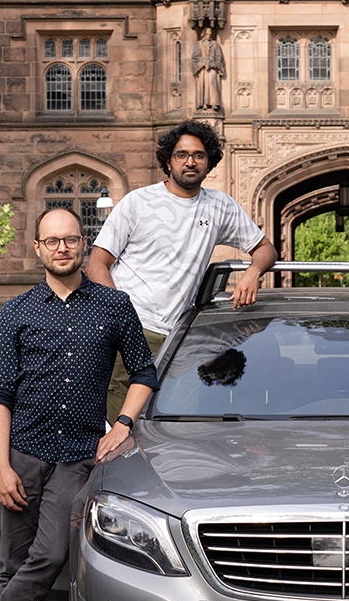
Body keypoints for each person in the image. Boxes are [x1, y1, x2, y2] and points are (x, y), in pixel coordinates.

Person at [0, 208, 159, 601]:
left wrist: (123, 424)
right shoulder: (18, 311)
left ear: (83, 245)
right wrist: (1, 465)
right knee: (13, 561)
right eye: (53, 241)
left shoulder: (114, 305)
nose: (63, 248)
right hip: (23, 453)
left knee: (51, 554)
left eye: (71, 239)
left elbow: (145, 372)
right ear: (38, 248)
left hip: (78, 455)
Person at [85, 119, 278, 421]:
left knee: (176, 425)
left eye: (199, 155)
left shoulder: (220, 207)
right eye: (181, 154)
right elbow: (97, 263)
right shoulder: (138, 202)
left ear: (209, 161)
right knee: (118, 425)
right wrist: (119, 316)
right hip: (132, 327)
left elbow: (266, 249)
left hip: (181, 336)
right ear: (168, 160)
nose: (190, 161)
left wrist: (253, 272)